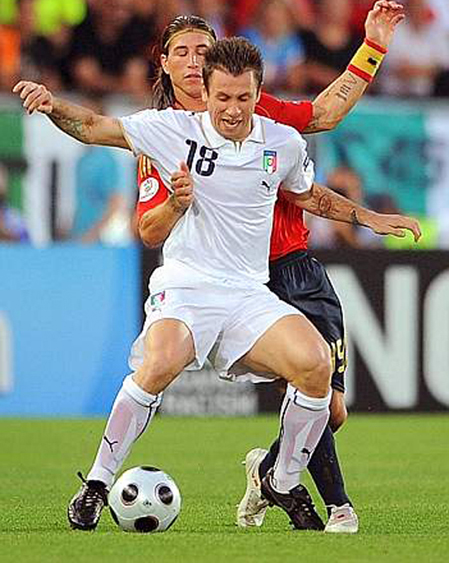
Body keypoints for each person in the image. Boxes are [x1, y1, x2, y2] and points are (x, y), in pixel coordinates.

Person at [13, 38, 420, 534]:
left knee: (315, 367)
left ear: (258, 93)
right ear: (204, 93)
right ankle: (97, 483)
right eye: (222, 98)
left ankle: (283, 482)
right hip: (186, 287)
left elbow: (308, 195)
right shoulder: (171, 130)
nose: (232, 110)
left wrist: (368, 217)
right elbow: (95, 127)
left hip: (249, 293)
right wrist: (53, 103)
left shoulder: (282, 143)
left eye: (243, 99)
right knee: (160, 362)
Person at [133, 5, 407, 533]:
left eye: (203, 52)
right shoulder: (160, 138)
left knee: (333, 411)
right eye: (183, 53)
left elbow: (325, 113)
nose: (195, 63)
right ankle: (337, 506)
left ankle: (267, 472)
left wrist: (372, 46)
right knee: (308, 391)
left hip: (294, 266)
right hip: (236, 282)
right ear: (166, 65)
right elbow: (147, 228)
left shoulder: (258, 109)